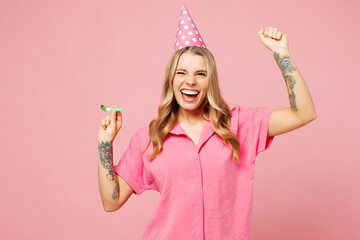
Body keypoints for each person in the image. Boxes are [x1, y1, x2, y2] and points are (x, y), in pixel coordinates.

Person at [97, 5, 317, 240]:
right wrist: (104, 144)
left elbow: (303, 113)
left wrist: (282, 55)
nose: (190, 81)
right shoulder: (149, 138)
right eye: (181, 73)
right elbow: (112, 201)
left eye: (200, 74)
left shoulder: (239, 125)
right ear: (171, 80)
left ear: (210, 82)